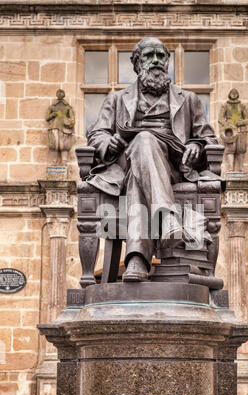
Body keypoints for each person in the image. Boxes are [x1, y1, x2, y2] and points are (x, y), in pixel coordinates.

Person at [87, 37, 218, 281]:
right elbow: (96, 135)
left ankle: (137, 259)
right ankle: (167, 218)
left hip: (173, 166)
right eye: (149, 56)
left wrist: (196, 145)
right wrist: (108, 142)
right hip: (126, 162)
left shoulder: (188, 100)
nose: (157, 61)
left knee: (139, 173)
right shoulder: (116, 100)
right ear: (137, 64)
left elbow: (209, 139)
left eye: (161, 56)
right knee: (144, 140)